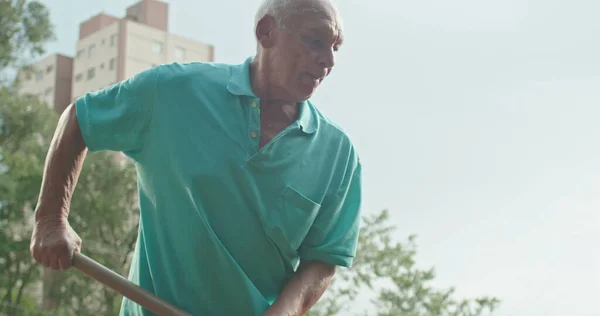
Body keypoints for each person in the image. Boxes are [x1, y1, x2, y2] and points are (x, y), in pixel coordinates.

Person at [29, 0, 362, 314]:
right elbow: (79, 120)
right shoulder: (173, 91)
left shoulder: (339, 156)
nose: (329, 61)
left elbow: (321, 262)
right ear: (266, 32)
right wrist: (50, 220)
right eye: (315, 41)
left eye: (335, 47)